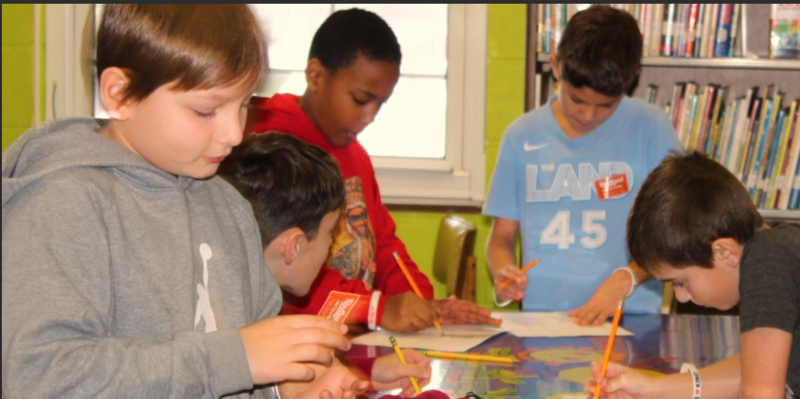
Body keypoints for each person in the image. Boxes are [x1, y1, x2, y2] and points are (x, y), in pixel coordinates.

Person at [2, 5, 363, 399]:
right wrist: (230, 361)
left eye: (244, 104)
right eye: (206, 110)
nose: (234, 134)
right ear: (120, 94)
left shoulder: (230, 208)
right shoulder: (62, 204)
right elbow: (39, 380)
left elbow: (243, 366)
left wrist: (287, 386)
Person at [247, 7, 501, 333]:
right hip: (293, 342)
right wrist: (376, 309)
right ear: (316, 76)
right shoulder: (269, 151)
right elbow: (282, 278)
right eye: (360, 99)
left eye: (380, 103)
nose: (370, 117)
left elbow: (382, 244)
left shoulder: (355, 155)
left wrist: (421, 304)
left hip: (353, 335)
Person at [484, 4, 681, 325]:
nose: (588, 115)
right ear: (555, 65)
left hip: (631, 316)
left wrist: (627, 278)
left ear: (632, 78)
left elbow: (678, 232)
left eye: (607, 105)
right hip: (543, 318)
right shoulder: (521, 136)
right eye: (576, 99)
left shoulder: (651, 128)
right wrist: (503, 272)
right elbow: (501, 238)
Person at [219, 132, 437, 398]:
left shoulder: (246, 299)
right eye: (331, 232)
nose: (331, 245)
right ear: (294, 246)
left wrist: (368, 373)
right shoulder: (239, 323)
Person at [584, 151, 799, 399]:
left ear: (724, 252)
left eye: (680, 282)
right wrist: (651, 390)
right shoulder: (780, 245)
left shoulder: (767, 262)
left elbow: (760, 393)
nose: (681, 297)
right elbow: (760, 371)